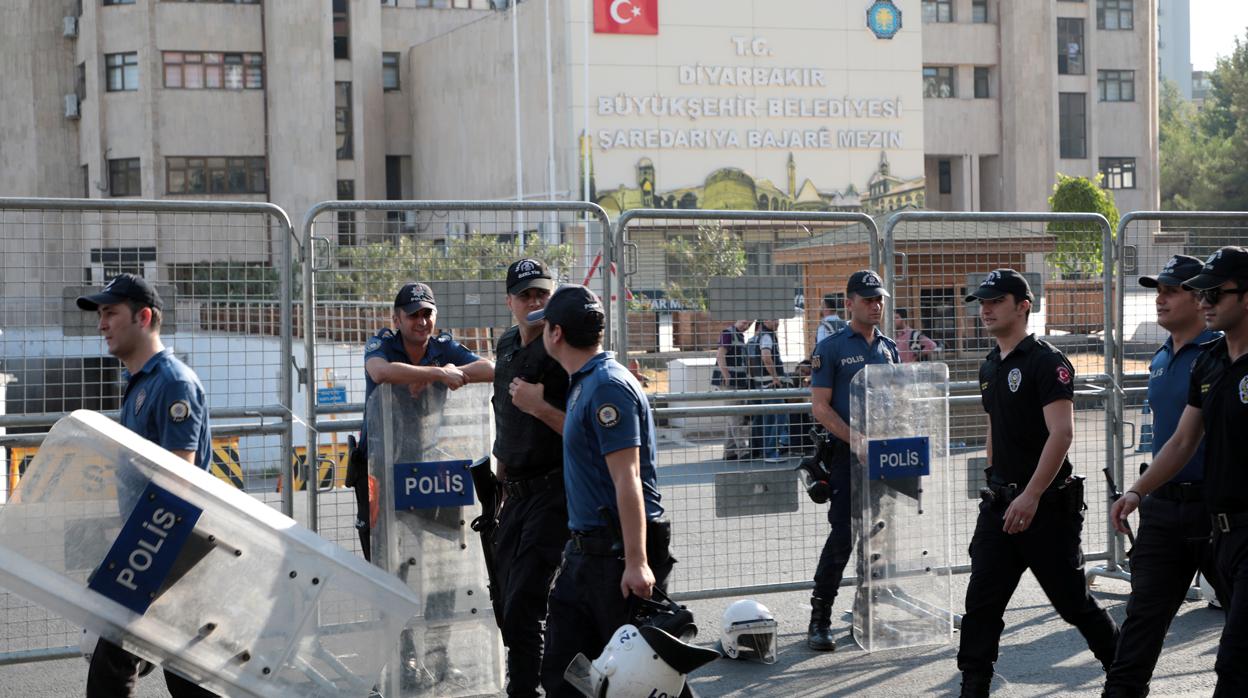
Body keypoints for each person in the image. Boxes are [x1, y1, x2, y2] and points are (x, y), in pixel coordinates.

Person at [958, 269, 1118, 697]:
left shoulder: (1047, 361)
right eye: (982, 302)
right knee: (981, 607)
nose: (986, 309)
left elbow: (1061, 433)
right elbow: (995, 428)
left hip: (1045, 509)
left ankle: (1123, 673)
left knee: (1073, 605)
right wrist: (996, 484)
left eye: (996, 301)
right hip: (1001, 507)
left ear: (1023, 305)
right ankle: (973, 686)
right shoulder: (990, 365)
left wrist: (1030, 495)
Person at [1111, 247, 1248, 695]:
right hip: (1180, 513)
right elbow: (1182, 441)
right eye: (1201, 291)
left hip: (1228, 521)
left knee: (1234, 660)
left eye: (1213, 292)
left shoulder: (1211, 353)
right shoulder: (1204, 364)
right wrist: (1136, 491)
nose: (1205, 300)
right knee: (1137, 636)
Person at [530, 285, 675, 697]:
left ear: (555, 334)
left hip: (616, 554)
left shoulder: (606, 386)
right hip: (587, 551)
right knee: (565, 670)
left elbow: (626, 477)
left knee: (641, 678)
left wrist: (637, 562)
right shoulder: (585, 382)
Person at [77, 273, 216, 697]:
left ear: (144, 317)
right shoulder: (141, 381)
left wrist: (134, 559)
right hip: (153, 546)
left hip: (166, 547)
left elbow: (180, 480)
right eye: (100, 314)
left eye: (110, 313)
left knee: (110, 671)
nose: (102, 324)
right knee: (186, 674)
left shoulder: (173, 382)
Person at [352, 281, 494, 559]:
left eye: (427, 314)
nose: (422, 321)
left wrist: (441, 370)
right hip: (378, 465)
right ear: (397, 319)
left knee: (443, 551)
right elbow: (380, 372)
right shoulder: (382, 344)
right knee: (381, 549)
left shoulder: (444, 347)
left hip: (426, 466)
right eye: (413, 315)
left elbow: (489, 369)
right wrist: (436, 374)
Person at [490, 259, 570, 698]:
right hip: (514, 493)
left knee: (525, 603)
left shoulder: (564, 348)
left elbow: (584, 428)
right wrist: (499, 484)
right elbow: (503, 417)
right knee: (506, 601)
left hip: (553, 489)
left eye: (542, 293)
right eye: (526, 295)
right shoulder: (505, 345)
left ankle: (526, 690)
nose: (535, 301)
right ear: (511, 302)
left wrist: (540, 407)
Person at [807, 270, 899, 651]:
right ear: (850, 303)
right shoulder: (830, 348)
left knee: (878, 536)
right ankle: (820, 619)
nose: (875, 305)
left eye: (879, 299)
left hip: (884, 456)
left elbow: (898, 398)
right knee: (843, 538)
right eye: (867, 299)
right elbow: (820, 407)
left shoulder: (888, 347)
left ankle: (868, 616)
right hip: (847, 455)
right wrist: (856, 439)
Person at [752, 319, 791, 462]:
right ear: (764, 321)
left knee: (769, 419)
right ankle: (770, 451)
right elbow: (766, 357)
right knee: (780, 417)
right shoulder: (767, 336)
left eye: (778, 319)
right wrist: (775, 378)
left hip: (763, 384)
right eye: (773, 319)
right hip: (770, 385)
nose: (777, 322)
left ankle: (767, 451)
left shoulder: (762, 335)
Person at [713, 319, 752, 461]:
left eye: (749, 325)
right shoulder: (728, 333)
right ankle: (742, 450)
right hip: (730, 381)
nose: (746, 326)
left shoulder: (739, 336)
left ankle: (729, 451)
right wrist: (726, 375)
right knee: (736, 416)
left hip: (738, 381)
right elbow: (720, 354)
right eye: (744, 322)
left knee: (733, 415)